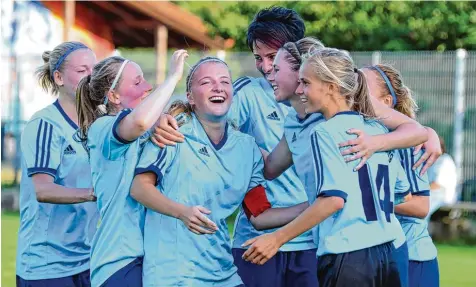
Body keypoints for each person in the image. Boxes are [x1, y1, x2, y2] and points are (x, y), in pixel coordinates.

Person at [242, 48, 421, 287]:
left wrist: (276, 239)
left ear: (331, 86)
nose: (299, 90)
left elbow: (334, 200)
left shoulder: (324, 132)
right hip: (389, 254)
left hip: (348, 256)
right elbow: (402, 193)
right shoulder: (377, 130)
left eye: (305, 83)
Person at [131, 56, 310, 287]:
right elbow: (139, 188)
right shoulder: (173, 131)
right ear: (190, 97)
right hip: (174, 275)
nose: (218, 87)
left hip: (223, 274)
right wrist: (181, 212)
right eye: (206, 82)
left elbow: (259, 216)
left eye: (225, 82)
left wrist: (312, 206)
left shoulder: (247, 147)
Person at [75, 50, 188, 286]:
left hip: (148, 259)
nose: (147, 86)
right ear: (114, 95)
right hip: (118, 261)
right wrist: (174, 76)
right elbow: (138, 122)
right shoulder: (103, 128)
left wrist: (162, 118)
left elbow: (143, 122)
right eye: (137, 82)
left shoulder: (141, 127)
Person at [17, 41, 98, 287]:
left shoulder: (99, 124)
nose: (91, 77)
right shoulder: (45, 124)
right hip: (46, 266)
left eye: (94, 70)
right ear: (59, 77)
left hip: (88, 259)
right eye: (82, 70)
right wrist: (95, 194)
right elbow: (43, 190)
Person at [363, 64, 439, 287]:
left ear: (387, 102)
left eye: (362, 88)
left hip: (413, 257)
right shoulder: (361, 136)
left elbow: (421, 207)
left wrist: (368, 200)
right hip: (379, 256)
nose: (354, 92)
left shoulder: (408, 143)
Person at [427, 136, 457, 216]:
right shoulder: (433, 160)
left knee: (422, 210)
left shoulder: (444, 160)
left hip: (441, 195)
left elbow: (437, 185)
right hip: (433, 192)